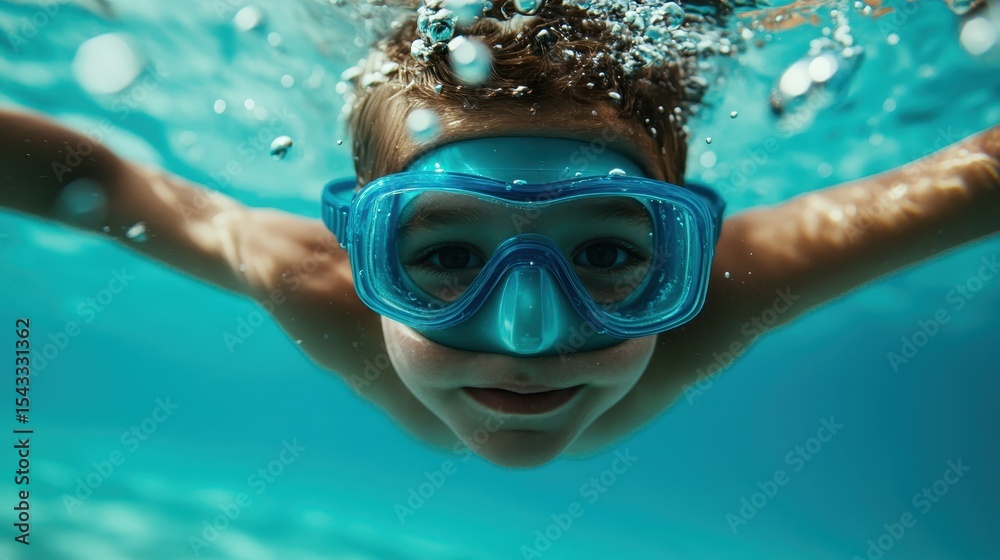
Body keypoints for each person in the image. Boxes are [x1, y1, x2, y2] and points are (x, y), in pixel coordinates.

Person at [1, 0, 997, 468]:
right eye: (443, 254)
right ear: (357, 251)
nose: (527, 334)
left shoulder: (725, 287)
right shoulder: (309, 277)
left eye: (608, 253)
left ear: (684, 256)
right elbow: (95, 178)